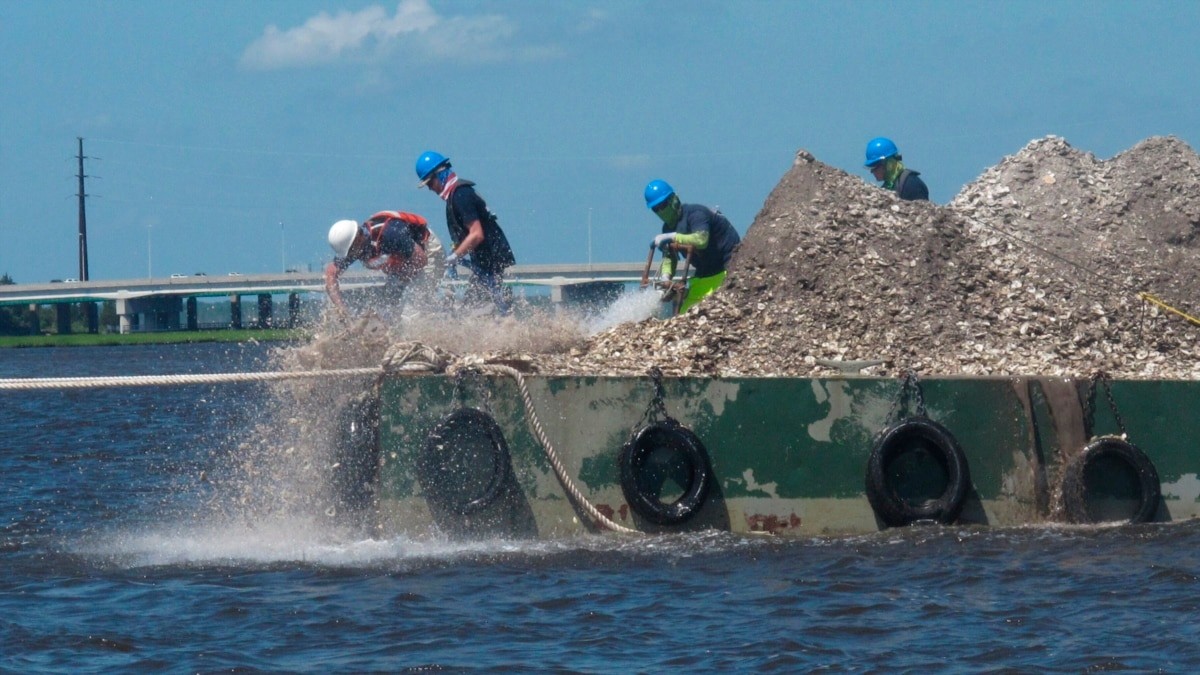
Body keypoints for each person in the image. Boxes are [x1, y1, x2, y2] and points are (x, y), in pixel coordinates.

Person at [415, 150, 516, 316]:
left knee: (478, 311)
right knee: (475, 308)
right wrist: (456, 250)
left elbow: (477, 234)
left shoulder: (460, 195)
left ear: (440, 175)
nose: (430, 189)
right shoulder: (457, 195)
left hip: (491, 263)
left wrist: (455, 256)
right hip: (485, 263)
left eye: (430, 183)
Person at [643, 179, 741, 313]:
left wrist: (671, 236)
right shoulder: (667, 228)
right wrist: (665, 278)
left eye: (663, 205)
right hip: (704, 274)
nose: (661, 211)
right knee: (684, 315)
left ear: (674, 200)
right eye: (656, 209)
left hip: (728, 270)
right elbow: (669, 257)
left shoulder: (696, 214)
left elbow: (701, 240)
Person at [324, 210, 443, 319]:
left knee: (411, 311)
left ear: (358, 238)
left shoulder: (390, 234)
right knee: (388, 308)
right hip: (404, 264)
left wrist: (403, 278)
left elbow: (421, 259)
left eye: (351, 250)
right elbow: (331, 274)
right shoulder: (353, 246)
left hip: (428, 252)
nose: (351, 255)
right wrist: (341, 309)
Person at [864, 137, 929, 201]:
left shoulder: (911, 184)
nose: (872, 171)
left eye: (875, 166)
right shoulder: (888, 187)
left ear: (888, 164)